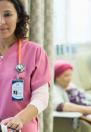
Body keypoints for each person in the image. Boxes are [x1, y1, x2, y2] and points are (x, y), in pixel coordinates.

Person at [0, 0, 50, 132]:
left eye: (7, 14)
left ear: (19, 17)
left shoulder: (35, 52)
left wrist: (20, 119)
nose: (1, 22)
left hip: (23, 128)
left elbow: (41, 97)